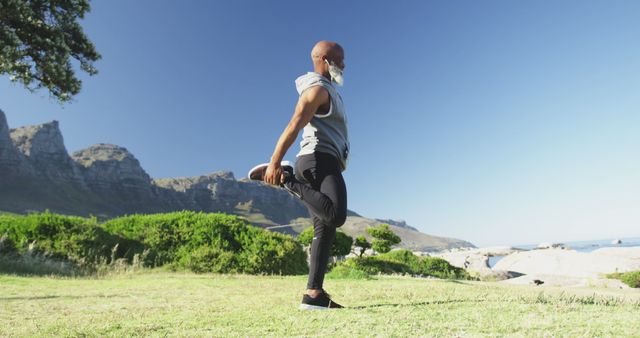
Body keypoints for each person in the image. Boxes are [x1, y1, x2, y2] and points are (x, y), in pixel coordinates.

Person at [248, 40, 349, 310]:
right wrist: (275, 164)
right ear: (325, 60)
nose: (345, 65)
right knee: (336, 215)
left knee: (324, 230)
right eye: (340, 59)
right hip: (318, 161)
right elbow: (294, 124)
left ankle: (314, 295)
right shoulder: (316, 91)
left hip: (325, 161)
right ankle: (286, 180)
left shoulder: (328, 90)